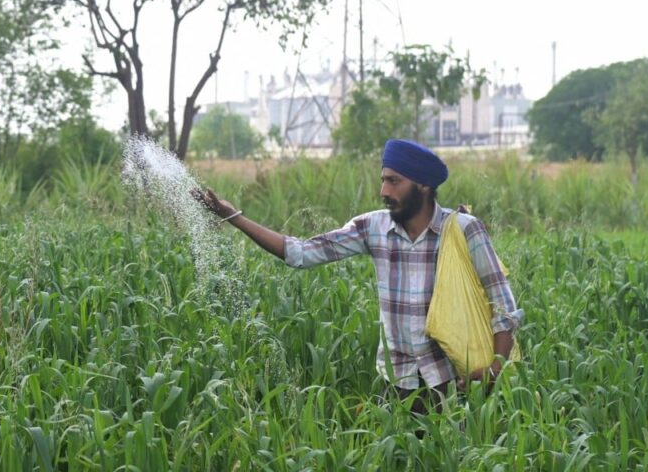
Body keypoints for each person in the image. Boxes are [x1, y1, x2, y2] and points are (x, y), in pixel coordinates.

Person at [195, 139, 522, 414]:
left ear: (423, 184)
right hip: (396, 383)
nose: (383, 190)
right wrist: (234, 216)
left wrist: (495, 367)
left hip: (450, 383)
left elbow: (502, 302)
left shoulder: (463, 230)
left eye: (394, 181)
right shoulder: (373, 227)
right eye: (383, 179)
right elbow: (302, 253)